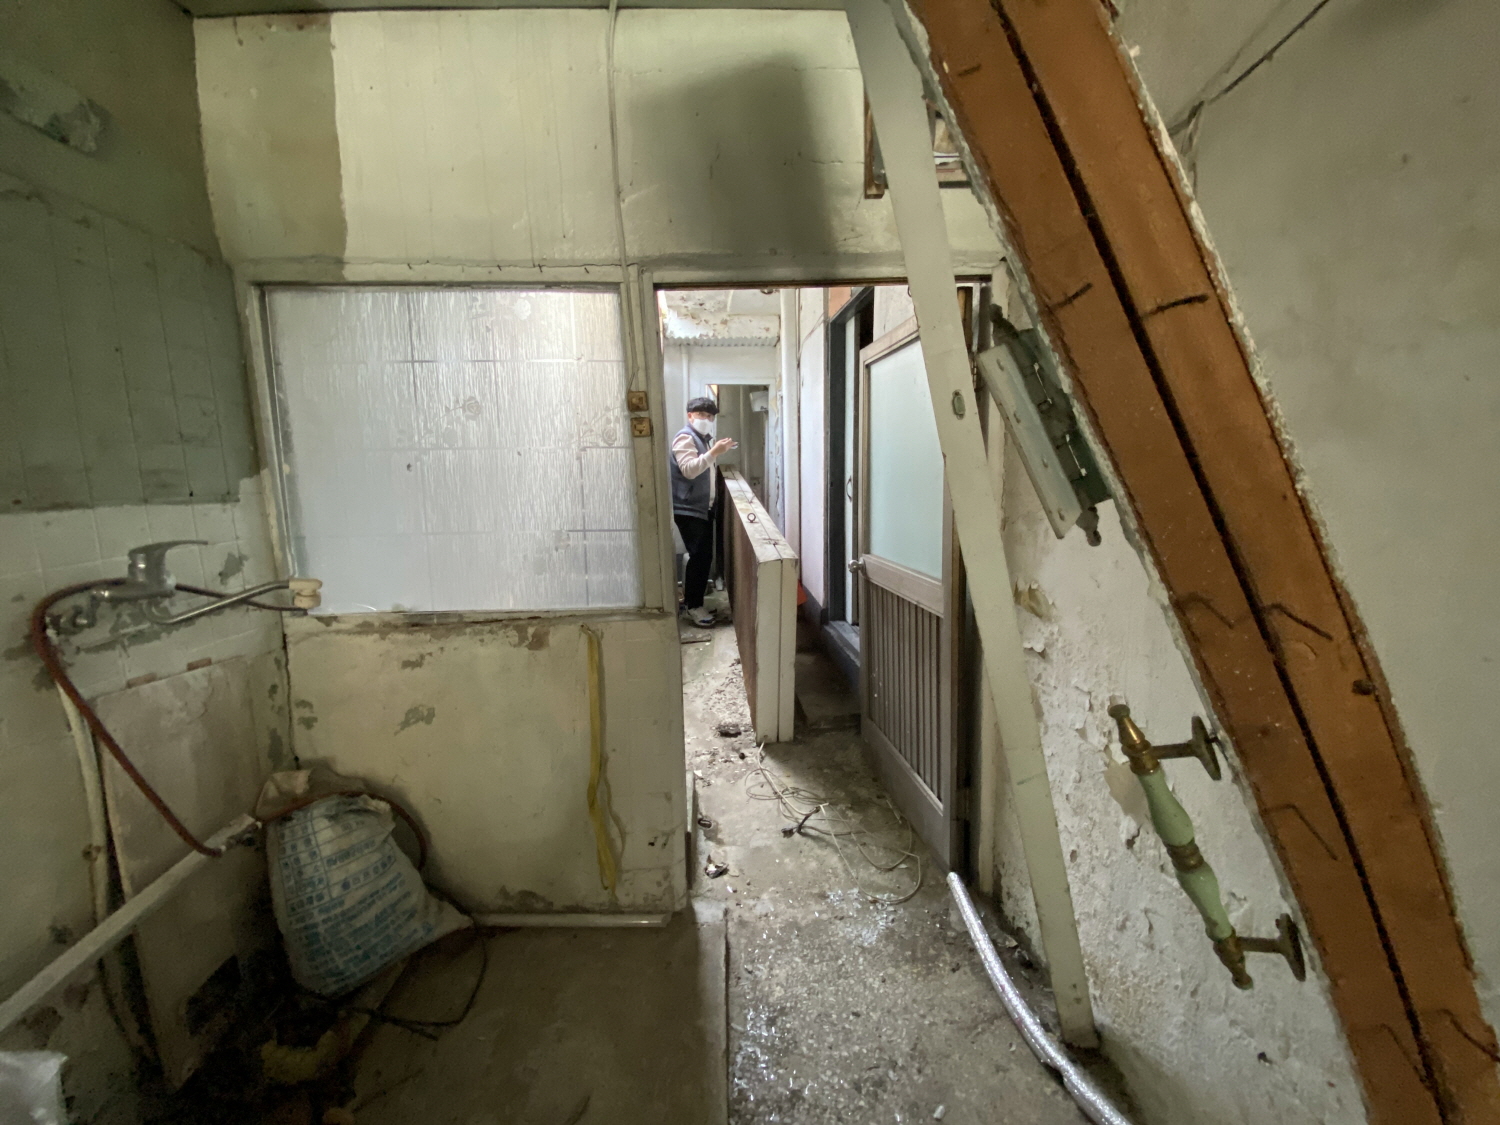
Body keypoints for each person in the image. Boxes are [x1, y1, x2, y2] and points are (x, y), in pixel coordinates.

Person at [669, 396, 736, 627]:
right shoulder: (685, 437)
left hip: (701, 508)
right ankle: (693, 607)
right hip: (688, 508)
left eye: (710, 416)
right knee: (699, 557)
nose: (706, 419)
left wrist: (715, 450)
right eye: (701, 415)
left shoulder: (702, 439)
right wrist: (714, 452)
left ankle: (695, 603)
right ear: (690, 416)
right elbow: (689, 470)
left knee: (703, 557)